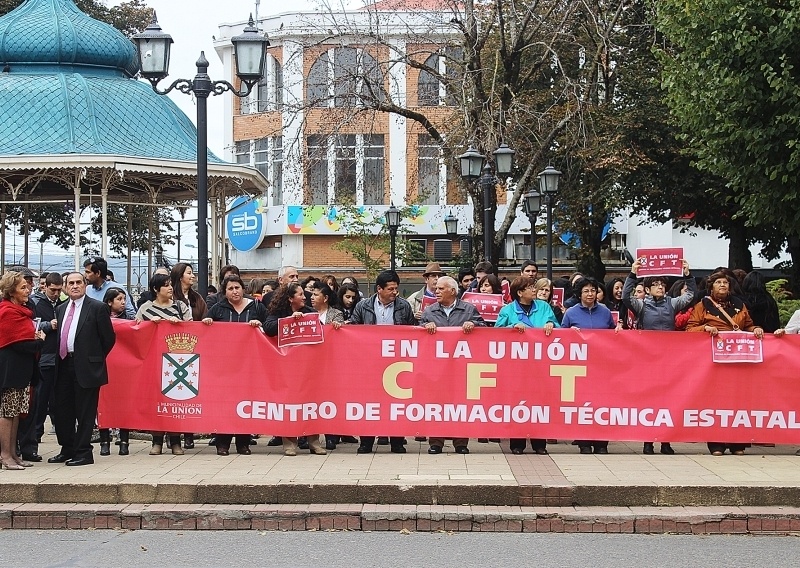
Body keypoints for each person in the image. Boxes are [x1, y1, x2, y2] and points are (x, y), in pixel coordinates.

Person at [686, 271, 763, 456]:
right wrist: (705, 328)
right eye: (719, 282)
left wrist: (756, 329)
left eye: (725, 282)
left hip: (737, 360)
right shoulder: (702, 305)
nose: (723, 285)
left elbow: (747, 326)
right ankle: (716, 443)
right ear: (711, 286)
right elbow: (689, 329)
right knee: (715, 401)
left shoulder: (739, 305)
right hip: (712, 361)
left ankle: (738, 443)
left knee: (739, 399)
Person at [623, 259, 696, 455]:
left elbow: (690, 295)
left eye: (662, 285)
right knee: (649, 401)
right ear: (647, 289)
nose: (660, 287)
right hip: (647, 359)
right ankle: (648, 442)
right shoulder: (642, 306)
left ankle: (666, 442)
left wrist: (688, 275)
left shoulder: (672, 303)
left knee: (668, 400)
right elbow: (625, 298)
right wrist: (632, 275)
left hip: (668, 360)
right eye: (655, 285)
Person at [49, 272, 116, 466]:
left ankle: (84, 452)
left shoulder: (97, 308)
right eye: (71, 283)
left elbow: (108, 339)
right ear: (65, 286)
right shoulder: (61, 309)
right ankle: (67, 448)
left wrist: (94, 358)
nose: (75, 286)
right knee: (62, 410)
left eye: (79, 282)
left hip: (87, 367)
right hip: (63, 364)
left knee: (85, 412)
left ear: (85, 285)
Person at [348, 270, 416, 454]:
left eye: (396, 288)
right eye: (391, 289)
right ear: (379, 289)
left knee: (397, 403)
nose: (395, 292)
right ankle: (366, 442)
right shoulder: (363, 306)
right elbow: (354, 328)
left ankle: (397, 441)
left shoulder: (404, 306)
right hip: (369, 362)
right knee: (368, 402)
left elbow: (412, 330)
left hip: (397, 363)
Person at [420, 276, 486, 455]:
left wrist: (474, 324)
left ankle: (461, 443)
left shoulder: (469, 309)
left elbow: (484, 330)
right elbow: (417, 334)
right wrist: (425, 326)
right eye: (436, 288)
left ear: (453, 291)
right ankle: (436, 442)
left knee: (460, 404)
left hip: (461, 368)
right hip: (437, 368)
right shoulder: (429, 311)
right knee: (436, 404)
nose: (437, 291)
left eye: (441, 288)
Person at [202, 274, 267, 456]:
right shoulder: (217, 309)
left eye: (237, 287)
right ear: (225, 292)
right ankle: (222, 443)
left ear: (243, 289)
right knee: (226, 404)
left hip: (250, 365)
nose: (234, 291)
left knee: (246, 403)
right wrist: (207, 323)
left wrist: (260, 325)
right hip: (225, 367)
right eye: (230, 289)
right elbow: (205, 334)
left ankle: (243, 443)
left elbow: (270, 327)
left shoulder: (256, 307)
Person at [495, 276, 559, 455]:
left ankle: (540, 444)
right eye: (530, 287)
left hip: (541, 366)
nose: (534, 289)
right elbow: (496, 333)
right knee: (518, 404)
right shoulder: (507, 311)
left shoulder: (544, 307)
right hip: (516, 367)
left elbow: (558, 328)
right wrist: (512, 327)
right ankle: (517, 444)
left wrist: (551, 323)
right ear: (520, 292)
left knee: (539, 404)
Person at [263, 283, 325, 457]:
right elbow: (268, 328)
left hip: (308, 367)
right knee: (289, 403)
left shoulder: (309, 313)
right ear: (290, 298)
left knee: (310, 402)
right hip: (286, 368)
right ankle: (289, 443)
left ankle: (314, 442)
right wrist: (290, 320)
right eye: (300, 294)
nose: (305, 297)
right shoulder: (278, 312)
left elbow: (321, 331)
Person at [561, 276, 622, 454]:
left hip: (602, 367)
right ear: (579, 294)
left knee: (602, 404)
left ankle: (602, 443)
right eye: (586, 291)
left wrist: (618, 331)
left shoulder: (604, 312)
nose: (590, 294)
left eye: (593, 290)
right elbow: (560, 337)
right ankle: (584, 442)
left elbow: (612, 334)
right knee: (583, 405)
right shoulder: (571, 313)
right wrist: (568, 333)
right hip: (579, 367)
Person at [135, 273, 192, 456]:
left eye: (171, 285)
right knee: (156, 402)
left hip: (177, 362)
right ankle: (157, 440)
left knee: (175, 401)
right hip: (153, 362)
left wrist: (179, 324)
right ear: (155, 289)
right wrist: (149, 325)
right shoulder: (145, 309)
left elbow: (193, 329)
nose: (170, 289)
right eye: (166, 285)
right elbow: (136, 331)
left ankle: (176, 441)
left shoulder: (180, 307)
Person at [0, 271, 46, 470]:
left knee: (17, 412)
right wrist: (39, 341)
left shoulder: (23, 311)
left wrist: (35, 340)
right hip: (10, 370)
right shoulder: (7, 312)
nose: (28, 290)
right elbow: (17, 343)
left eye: (28, 286)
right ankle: (5, 455)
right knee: (8, 412)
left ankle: (14, 454)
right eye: (23, 287)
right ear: (12, 292)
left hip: (23, 370)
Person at [22, 272, 64, 462]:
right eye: (52, 289)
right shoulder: (36, 304)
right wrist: (48, 325)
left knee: (57, 401)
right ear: (45, 286)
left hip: (59, 358)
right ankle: (33, 439)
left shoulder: (63, 304)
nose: (55, 293)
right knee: (38, 402)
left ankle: (60, 438)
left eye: (58, 290)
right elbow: (32, 327)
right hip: (43, 357)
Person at [169, 262, 207, 450]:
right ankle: (173, 434)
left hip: (194, 350)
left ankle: (189, 434)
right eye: (189, 273)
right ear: (179, 276)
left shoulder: (197, 298)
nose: (193, 276)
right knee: (173, 393)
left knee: (191, 393)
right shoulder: (169, 296)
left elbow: (203, 318)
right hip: (171, 350)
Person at [310, 282, 346, 450]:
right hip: (309, 364)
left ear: (325, 298)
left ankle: (331, 436)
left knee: (329, 400)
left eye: (316, 294)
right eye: (311, 294)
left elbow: (342, 335)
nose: (312, 297)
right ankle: (306, 436)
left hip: (330, 364)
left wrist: (338, 328)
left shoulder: (336, 314)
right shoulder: (306, 314)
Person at [98, 287, 133, 456]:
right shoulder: (100, 318)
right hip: (104, 366)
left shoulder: (130, 320)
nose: (123, 303)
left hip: (124, 369)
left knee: (123, 404)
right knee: (103, 403)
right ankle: (104, 441)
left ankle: (124, 442)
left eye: (124, 299)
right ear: (109, 302)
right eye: (119, 299)